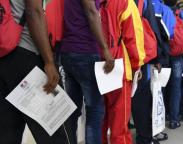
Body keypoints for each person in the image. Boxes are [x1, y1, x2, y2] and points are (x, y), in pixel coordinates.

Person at [0, 0, 71, 144]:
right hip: (27, 55)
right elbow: (34, 11)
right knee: (57, 132)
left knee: (7, 134)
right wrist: (49, 61)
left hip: (3, 57)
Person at [59, 0, 115, 144]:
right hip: (85, 51)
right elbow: (91, 11)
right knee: (95, 111)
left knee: (72, 110)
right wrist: (105, 49)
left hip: (67, 52)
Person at [100, 0, 146, 143]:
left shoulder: (92, 2)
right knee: (119, 125)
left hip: (95, 66)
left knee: (98, 121)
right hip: (119, 68)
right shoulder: (125, 3)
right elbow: (133, 38)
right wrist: (137, 65)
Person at [132, 0, 170, 143]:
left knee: (121, 100)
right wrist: (159, 57)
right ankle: (144, 137)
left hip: (116, 54)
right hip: (140, 56)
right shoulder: (145, 2)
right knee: (141, 97)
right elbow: (153, 29)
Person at [163, 0, 183, 129]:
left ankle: (162, 116)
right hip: (177, 56)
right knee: (176, 87)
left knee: (162, 86)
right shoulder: (181, 13)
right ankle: (174, 120)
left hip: (164, 53)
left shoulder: (161, 9)